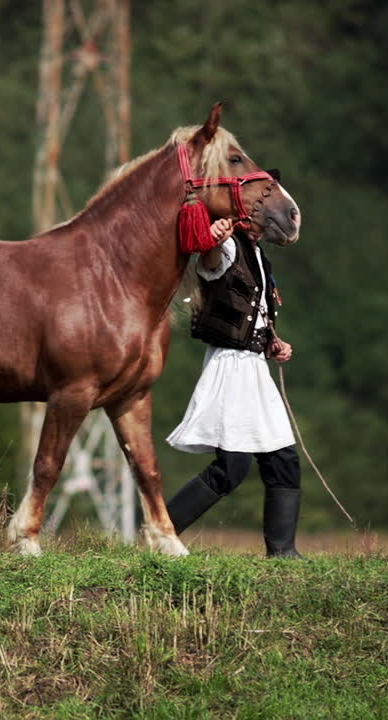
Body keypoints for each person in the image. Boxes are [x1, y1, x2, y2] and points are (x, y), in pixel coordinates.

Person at [166, 217, 304, 558]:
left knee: (284, 460)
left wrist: (272, 343)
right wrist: (213, 241)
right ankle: (161, 532)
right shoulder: (228, 245)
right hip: (229, 367)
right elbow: (211, 264)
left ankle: (283, 552)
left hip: (255, 367)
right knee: (233, 467)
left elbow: (253, 315)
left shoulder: (259, 256)